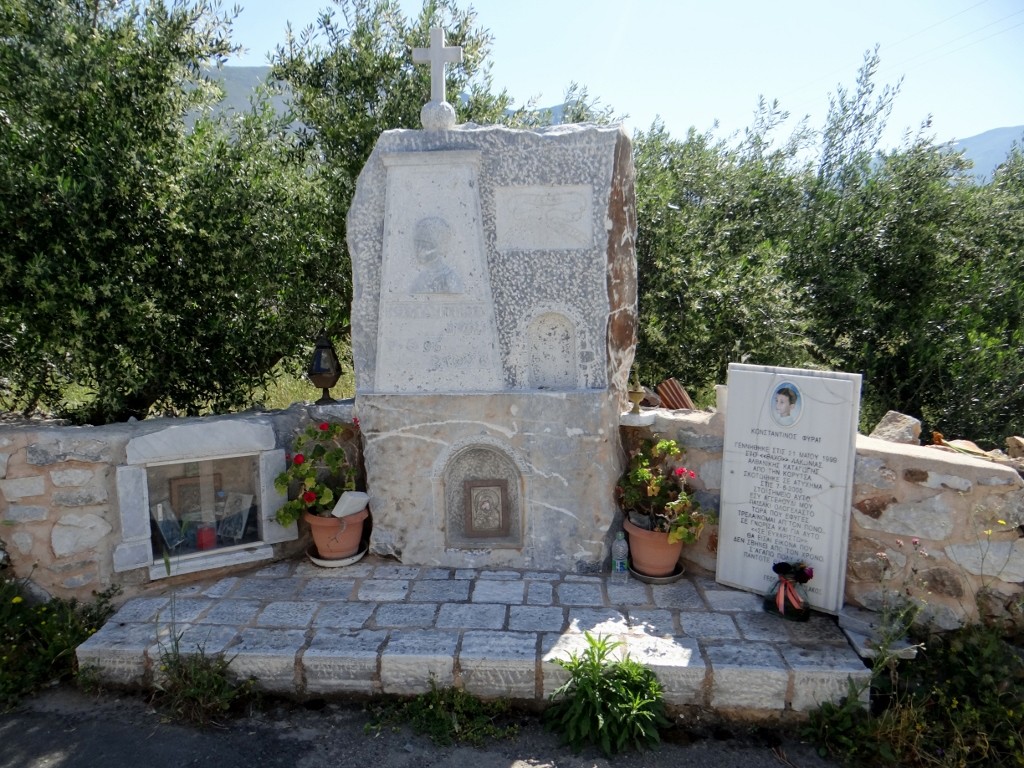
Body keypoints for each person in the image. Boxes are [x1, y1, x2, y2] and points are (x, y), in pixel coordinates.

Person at [410, 216, 463, 294]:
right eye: (417, 244)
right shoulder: (420, 280)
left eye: (425, 245)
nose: (419, 250)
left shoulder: (450, 279)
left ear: (439, 246)